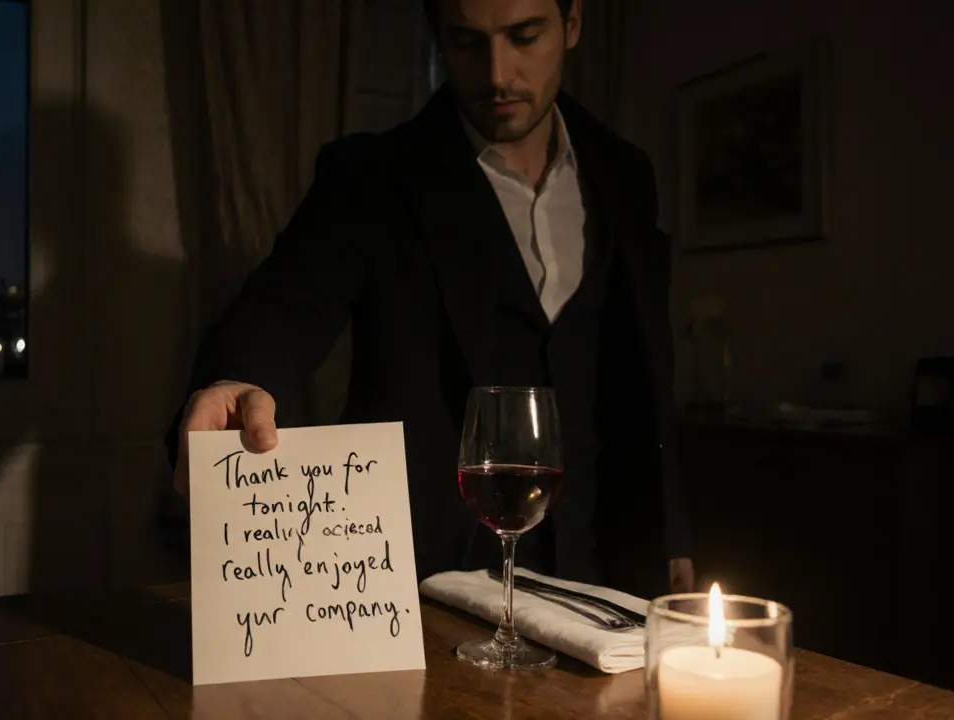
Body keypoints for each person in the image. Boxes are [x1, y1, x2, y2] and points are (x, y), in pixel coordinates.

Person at [166, 0, 694, 596]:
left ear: (572, 24)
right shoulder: (370, 175)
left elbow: (649, 362)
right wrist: (233, 383)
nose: (497, 73)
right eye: (468, 42)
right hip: (428, 574)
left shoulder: (626, 172)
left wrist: (669, 532)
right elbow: (282, 310)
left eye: (524, 36)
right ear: (437, 35)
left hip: (601, 561)